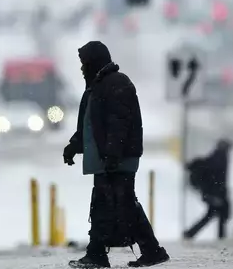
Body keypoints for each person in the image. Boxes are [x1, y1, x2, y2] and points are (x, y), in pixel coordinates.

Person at [63, 41, 169, 268]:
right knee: (114, 204)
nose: (82, 69)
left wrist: (113, 154)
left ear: (95, 62)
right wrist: (74, 145)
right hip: (107, 159)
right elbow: (89, 124)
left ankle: (100, 254)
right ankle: (146, 250)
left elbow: (119, 123)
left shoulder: (116, 83)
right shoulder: (96, 86)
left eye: (85, 63)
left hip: (119, 159)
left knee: (120, 204)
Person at [184, 138, 232, 240]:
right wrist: (217, 193)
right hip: (216, 192)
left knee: (213, 214)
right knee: (216, 214)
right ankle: (220, 236)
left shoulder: (217, 157)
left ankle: (191, 233)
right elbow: (217, 178)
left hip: (215, 191)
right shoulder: (220, 159)